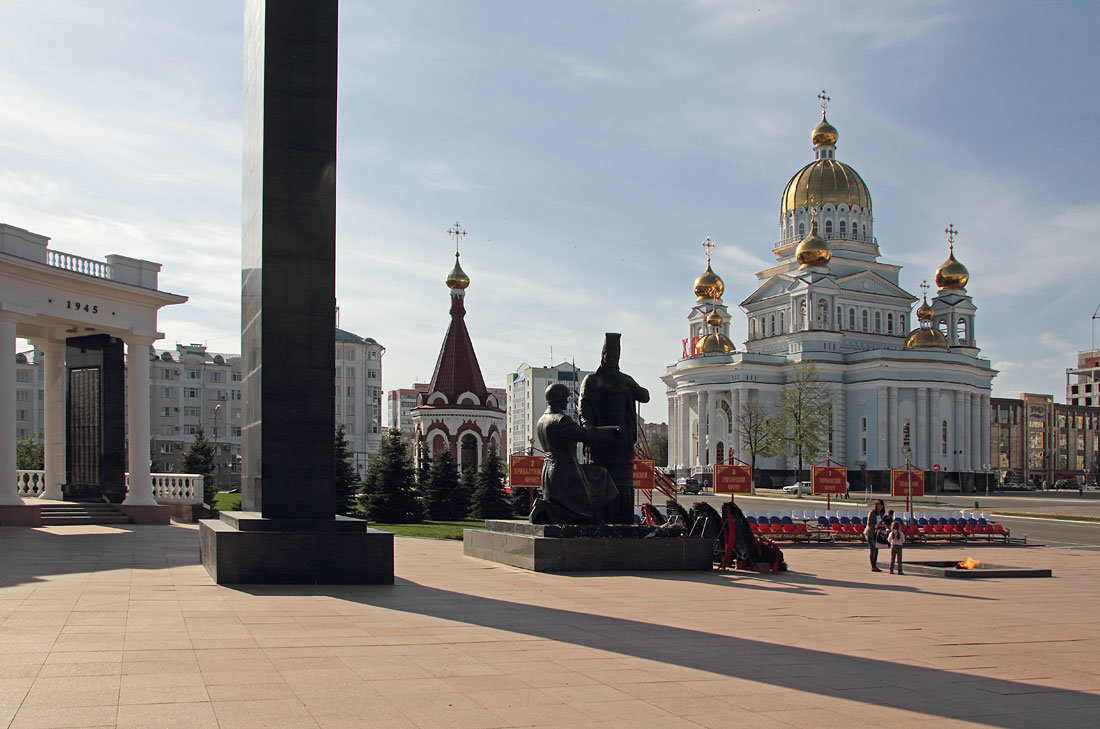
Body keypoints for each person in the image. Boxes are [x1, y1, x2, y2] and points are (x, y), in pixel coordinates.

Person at [579, 333, 650, 524]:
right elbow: (584, 406)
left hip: (622, 441)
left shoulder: (625, 380)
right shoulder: (592, 380)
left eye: (615, 357)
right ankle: (599, 523)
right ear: (602, 357)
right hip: (601, 441)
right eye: (608, 356)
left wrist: (635, 388)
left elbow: (645, 397)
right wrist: (589, 429)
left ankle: (623, 523)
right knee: (601, 481)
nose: (611, 360)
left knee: (623, 483)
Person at [529, 383, 621, 525]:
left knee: (601, 474)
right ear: (559, 399)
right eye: (565, 398)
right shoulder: (560, 420)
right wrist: (612, 431)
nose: (567, 401)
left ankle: (548, 508)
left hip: (549, 469)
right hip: (565, 469)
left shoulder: (542, 420)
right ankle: (545, 508)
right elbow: (585, 434)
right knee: (583, 513)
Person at [864, 499, 886, 572]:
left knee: (876, 550)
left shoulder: (881, 514)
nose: (881, 507)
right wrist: (878, 525)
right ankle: (873, 566)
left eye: (882, 505)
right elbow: (869, 524)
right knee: (872, 549)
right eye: (879, 505)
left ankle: (875, 565)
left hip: (878, 534)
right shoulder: (872, 512)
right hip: (870, 533)